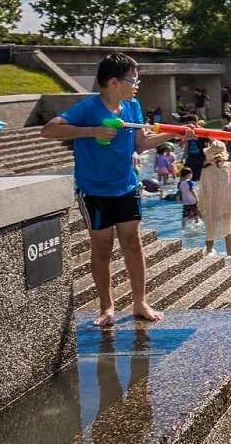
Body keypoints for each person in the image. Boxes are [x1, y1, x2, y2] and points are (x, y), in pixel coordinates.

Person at [40, 52, 185, 326]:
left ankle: (140, 302)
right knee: (102, 248)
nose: (137, 85)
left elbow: (141, 143)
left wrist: (175, 132)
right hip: (94, 191)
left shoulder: (133, 107)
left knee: (133, 243)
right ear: (114, 82)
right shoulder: (89, 108)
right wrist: (91, 132)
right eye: (134, 80)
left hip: (126, 187)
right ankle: (107, 307)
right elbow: (48, 130)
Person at [198, 141, 231, 256]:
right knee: (229, 232)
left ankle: (208, 253)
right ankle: (230, 255)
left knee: (210, 231)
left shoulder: (205, 170)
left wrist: (200, 206)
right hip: (228, 203)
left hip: (212, 204)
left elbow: (202, 190)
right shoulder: (228, 166)